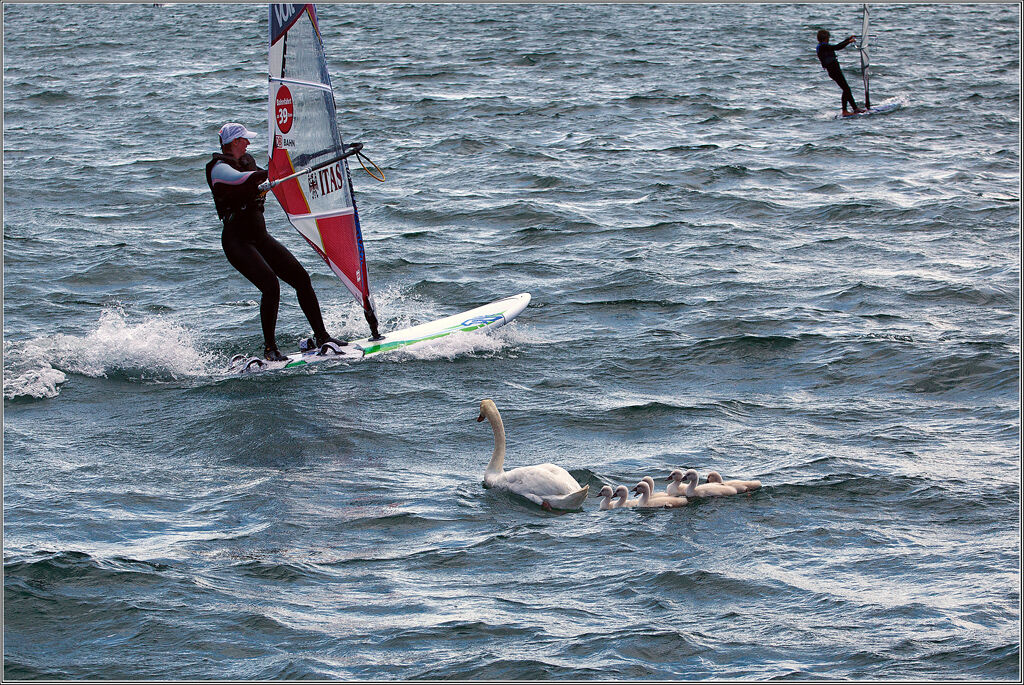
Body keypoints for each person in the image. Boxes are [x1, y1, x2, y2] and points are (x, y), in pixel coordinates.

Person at [205, 122, 344, 361]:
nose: (248, 143)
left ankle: (322, 336)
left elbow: (273, 177)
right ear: (234, 142)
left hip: (259, 237)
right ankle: (270, 349)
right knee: (270, 285)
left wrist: (301, 164)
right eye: (245, 139)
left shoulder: (246, 161)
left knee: (301, 278)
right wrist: (272, 174)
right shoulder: (218, 169)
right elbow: (243, 180)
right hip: (237, 241)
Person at [816, 29, 865, 116]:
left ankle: (855, 109)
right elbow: (837, 47)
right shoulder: (823, 47)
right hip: (833, 70)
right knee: (846, 89)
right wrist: (848, 42)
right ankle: (845, 111)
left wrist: (847, 39)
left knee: (846, 89)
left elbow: (837, 46)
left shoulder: (823, 46)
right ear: (826, 38)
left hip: (834, 70)